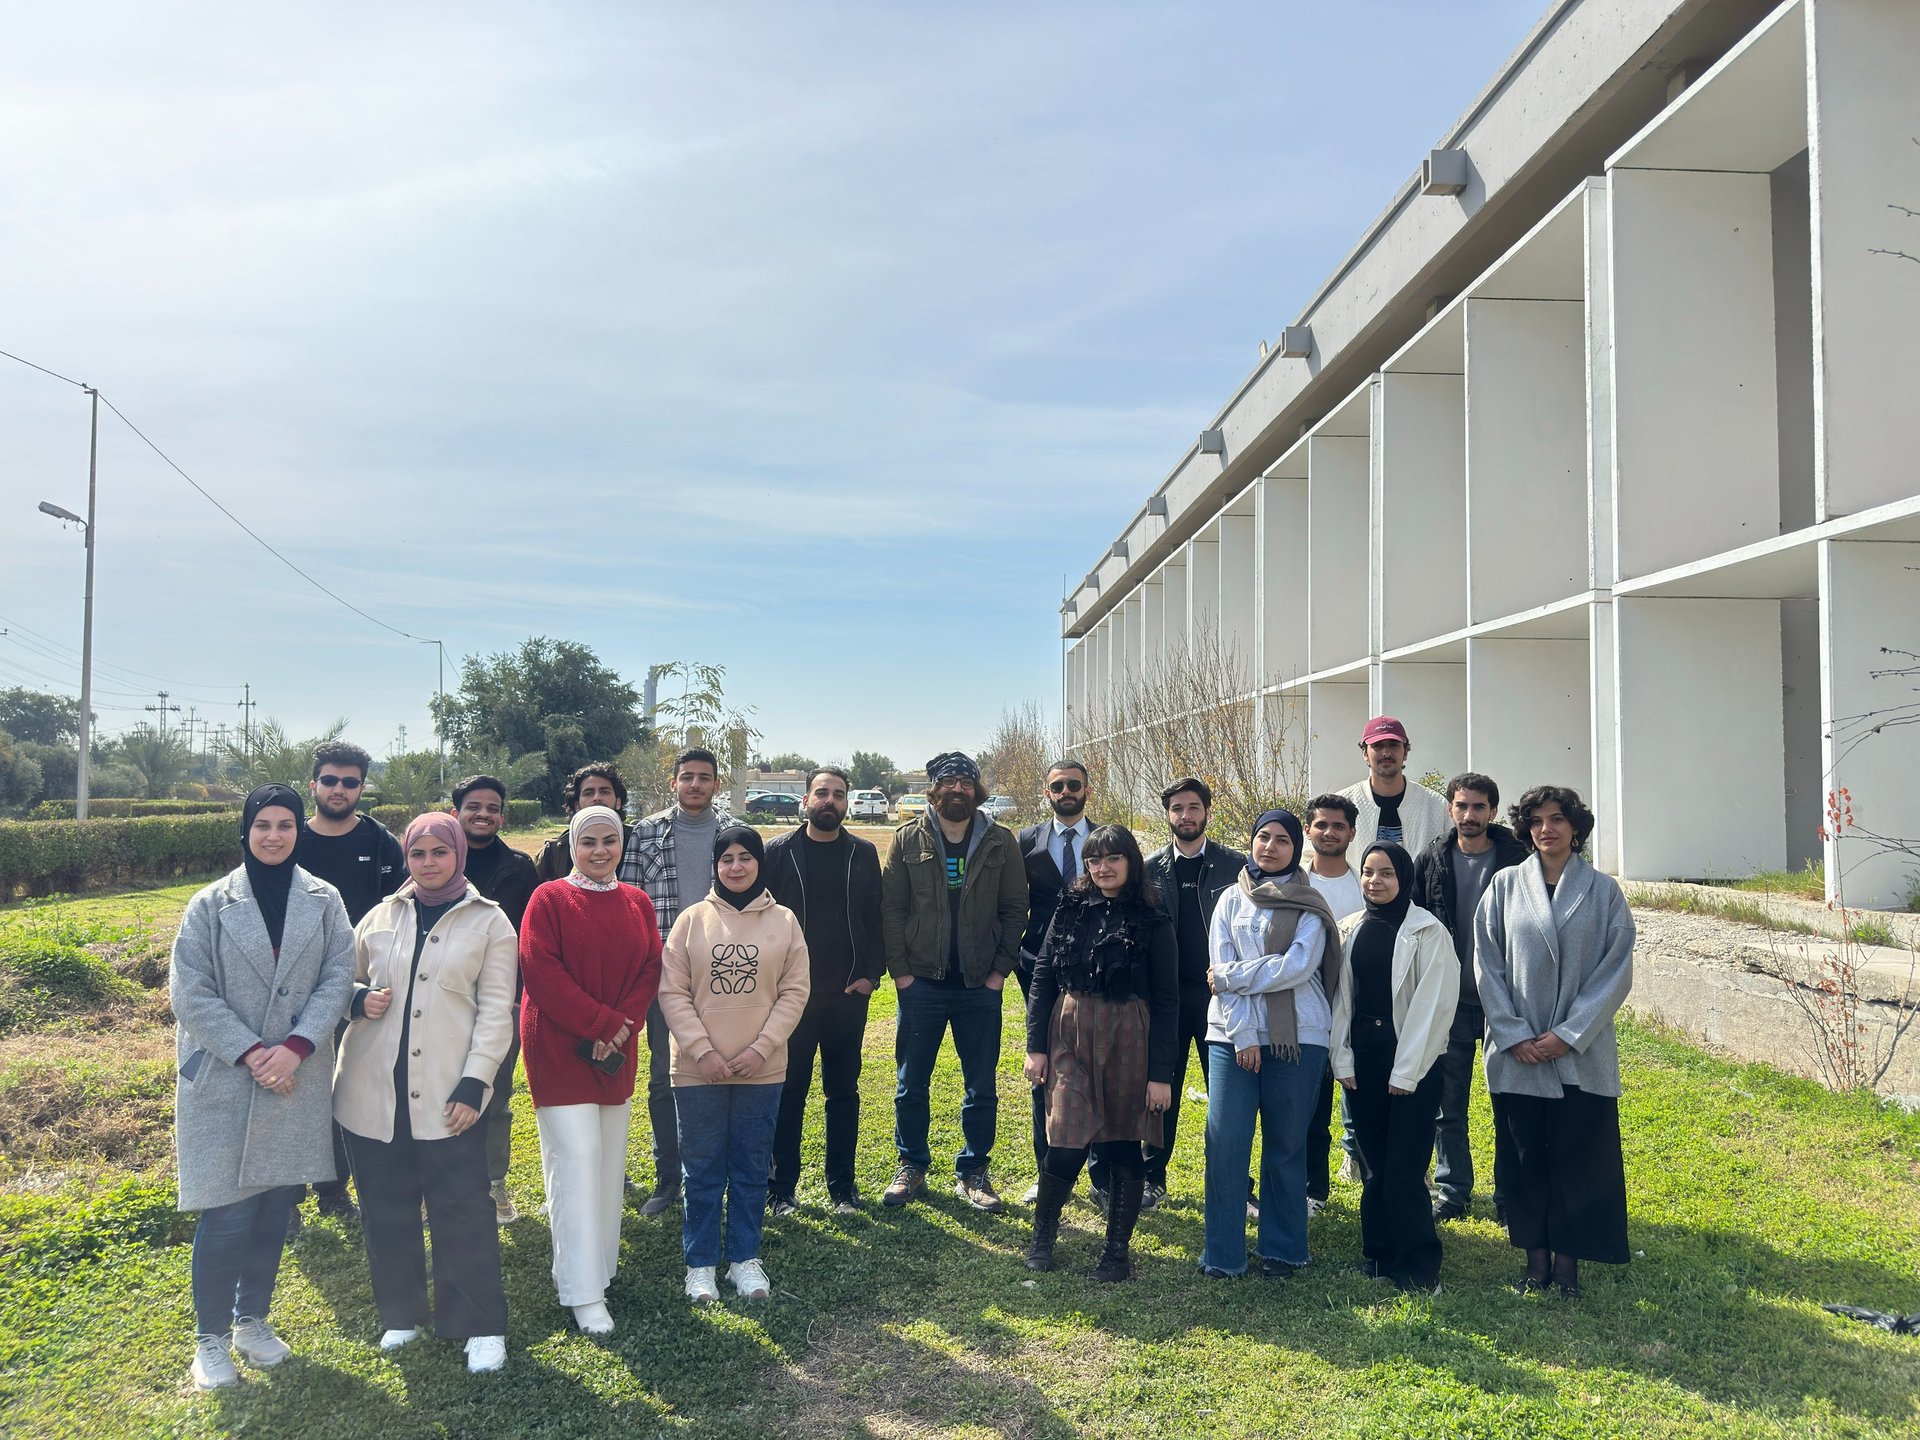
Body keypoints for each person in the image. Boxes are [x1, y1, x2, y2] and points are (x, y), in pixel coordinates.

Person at [169, 784, 355, 1391]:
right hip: (226, 1078)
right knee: (225, 1215)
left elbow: (337, 978)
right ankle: (210, 1339)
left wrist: (296, 1047)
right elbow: (189, 993)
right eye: (262, 825)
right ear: (245, 831)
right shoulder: (210, 904)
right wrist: (254, 1052)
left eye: (285, 824)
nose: (273, 835)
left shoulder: (323, 900)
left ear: (300, 830)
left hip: (294, 1079)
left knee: (276, 1209)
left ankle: (253, 1320)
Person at [333, 812, 517, 1373]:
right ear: (407, 858)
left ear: (459, 855)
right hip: (373, 1088)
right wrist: (357, 999)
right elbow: (337, 980)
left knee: (461, 1206)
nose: (429, 863)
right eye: (419, 854)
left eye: (440, 852)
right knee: (386, 1207)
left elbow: (496, 1011)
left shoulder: (490, 922)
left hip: (448, 1092)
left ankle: (478, 1323)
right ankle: (401, 1314)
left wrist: (475, 1080)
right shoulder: (381, 916)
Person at [1474, 785, 1635, 1299]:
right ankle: (1535, 1262)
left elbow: (1616, 970)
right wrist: (1514, 1033)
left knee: (1577, 1161)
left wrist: (1568, 1036)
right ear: (1525, 828)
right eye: (1538, 820)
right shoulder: (1503, 887)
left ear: (1576, 827)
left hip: (1578, 1055)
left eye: (1558, 819)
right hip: (1517, 1054)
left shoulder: (1604, 891)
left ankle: (1567, 1266)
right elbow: (1487, 965)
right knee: (1525, 1162)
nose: (1548, 829)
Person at [519, 806, 664, 1333]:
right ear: (572, 846)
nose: (600, 851)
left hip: (616, 1051)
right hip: (562, 1048)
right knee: (575, 1159)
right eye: (589, 842)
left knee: (606, 1160)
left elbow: (651, 965)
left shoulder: (636, 902)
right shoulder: (549, 898)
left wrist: (622, 1025)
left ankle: (600, 1268)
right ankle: (580, 1291)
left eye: (610, 841)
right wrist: (604, 1023)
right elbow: (540, 969)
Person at [659, 826, 811, 1302]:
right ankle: (700, 1264)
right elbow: (672, 992)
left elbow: (794, 991)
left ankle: (745, 1259)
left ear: (759, 863)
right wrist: (702, 1051)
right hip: (696, 1070)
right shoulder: (691, 921)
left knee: (749, 1167)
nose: (736, 866)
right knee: (701, 1169)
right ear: (716, 865)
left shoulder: (784, 921)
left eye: (746, 857)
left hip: (760, 1070)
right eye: (727, 858)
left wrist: (759, 1049)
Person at [1022, 825, 1177, 1281]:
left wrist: (1161, 1074)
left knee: (1122, 1145)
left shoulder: (1153, 918)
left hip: (1130, 1036)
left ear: (1131, 861)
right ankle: (1043, 1235)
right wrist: (1036, 1047)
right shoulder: (1069, 910)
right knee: (1066, 1143)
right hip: (1069, 1032)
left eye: (1112, 858)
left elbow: (1168, 1000)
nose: (1102, 868)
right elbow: (1044, 978)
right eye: (1094, 860)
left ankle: (1116, 1253)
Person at [880, 751, 1029, 1212]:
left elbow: (1014, 909)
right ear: (934, 790)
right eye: (948, 782)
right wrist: (901, 972)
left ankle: (974, 1170)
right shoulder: (907, 839)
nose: (958, 789)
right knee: (911, 1082)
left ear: (977, 789)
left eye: (966, 781)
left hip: (977, 987)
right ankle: (911, 1165)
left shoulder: (1001, 842)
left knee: (980, 1084)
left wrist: (999, 971)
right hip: (921, 983)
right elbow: (891, 908)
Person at [1199, 808, 1343, 1280]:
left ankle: (1283, 1249)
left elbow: (1297, 967)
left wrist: (1233, 977)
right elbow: (1220, 973)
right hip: (1230, 1036)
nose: (1271, 846)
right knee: (1226, 1144)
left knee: (1286, 1144)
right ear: (1252, 841)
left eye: (1282, 839)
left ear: (1295, 848)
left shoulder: (1310, 903)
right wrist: (1243, 1035)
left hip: (1299, 1035)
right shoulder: (1228, 900)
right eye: (1263, 837)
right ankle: (1223, 1254)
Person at [1330, 842, 1457, 1294]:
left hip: (1412, 1067)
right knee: (1376, 1166)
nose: (1375, 881)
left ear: (1403, 878)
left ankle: (1420, 1268)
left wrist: (1405, 1074)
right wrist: (1342, 1058)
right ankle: (1380, 1256)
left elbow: (1432, 1009)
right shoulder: (1351, 929)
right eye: (1367, 872)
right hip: (1364, 1062)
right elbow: (1342, 1002)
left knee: (1405, 1169)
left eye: (1386, 873)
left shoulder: (1428, 932)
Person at [619, 748, 737, 1217]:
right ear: (673, 783)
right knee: (666, 1078)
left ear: (716, 784)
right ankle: (669, 1179)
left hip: (725, 976)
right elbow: (629, 903)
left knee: (722, 1073)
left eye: (704, 778)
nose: (695, 785)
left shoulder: (732, 833)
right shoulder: (645, 833)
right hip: (665, 975)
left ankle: (716, 1175)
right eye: (686, 777)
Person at [293, 739, 404, 1223]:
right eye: (330, 780)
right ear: (313, 784)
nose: (339, 790)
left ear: (362, 787)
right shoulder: (289, 839)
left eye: (350, 782)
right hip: (291, 988)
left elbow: (398, 912)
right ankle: (285, 1198)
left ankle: (334, 1191)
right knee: (291, 1089)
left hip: (356, 988)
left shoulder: (380, 843)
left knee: (345, 1086)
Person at [764, 766, 884, 1215]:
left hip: (847, 996)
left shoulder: (863, 853)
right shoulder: (777, 852)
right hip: (791, 998)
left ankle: (842, 1187)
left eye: (837, 794)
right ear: (805, 800)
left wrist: (872, 974)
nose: (829, 801)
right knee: (789, 1091)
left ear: (846, 803)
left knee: (843, 1092)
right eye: (821, 793)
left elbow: (876, 917)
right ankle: (781, 1189)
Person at [1412, 773, 1527, 1222]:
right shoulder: (1432, 860)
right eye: (1461, 806)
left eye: (1479, 807)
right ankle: (1453, 1192)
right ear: (1449, 809)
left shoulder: (1520, 861)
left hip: (1506, 1003)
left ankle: (1510, 1197)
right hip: (1451, 1002)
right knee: (1447, 1104)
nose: (1469, 815)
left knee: (1509, 1104)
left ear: (1493, 811)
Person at [1141, 777, 1246, 1210]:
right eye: (1178, 808)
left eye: (1194, 807)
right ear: (1168, 815)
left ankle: (1236, 1182)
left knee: (1228, 1095)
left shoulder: (1234, 866)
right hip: (1165, 999)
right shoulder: (1149, 869)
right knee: (1160, 1090)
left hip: (1217, 997)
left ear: (1207, 811)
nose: (1186, 815)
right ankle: (1152, 1177)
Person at [454, 773, 542, 1225]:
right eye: (474, 806)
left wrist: (520, 995)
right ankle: (443, 1186)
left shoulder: (521, 867)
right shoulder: (439, 859)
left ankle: (492, 1183)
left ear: (501, 816)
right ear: (457, 813)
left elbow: (532, 938)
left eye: (491, 807)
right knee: (437, 1090)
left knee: (494, 1093)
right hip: (444, 1000)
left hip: (501, 1002)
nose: (483, 814)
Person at [1015, 759, 1093, 1205]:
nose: (1066, 791)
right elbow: (1014, 902)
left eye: (1073, 785)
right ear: (1047, 793)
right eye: (1058, 786)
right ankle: (1048, 1174)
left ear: (1087, 790)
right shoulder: (1027, 840)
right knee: (1042, 1067)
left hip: (1098, 971)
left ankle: (1100, 1175)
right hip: (1039, 971)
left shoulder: (1106, 839)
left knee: (1098, 1065)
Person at [1302, 792, 1363, 1205]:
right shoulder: (1294, 884)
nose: (1329, 832)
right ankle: (1313, 1190)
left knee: (1364, 1100)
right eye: (1321, 824)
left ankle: (1370, 1175)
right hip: (1308, 1008)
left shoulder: (1368, 884)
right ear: (1308, 831)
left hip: (1360, 1009)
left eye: (1338, 825)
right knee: (1311, 1106)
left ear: (1352, 833)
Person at [1337, 716, 1450, 859]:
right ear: (1365, 753)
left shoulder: (1436, 806)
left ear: (1406, 752)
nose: (1386, 753)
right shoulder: (1342, 805)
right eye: (1377, 745)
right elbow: (1309, 857)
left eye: (1394, 744)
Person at [536, 763, 629, 883]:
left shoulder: (637, 842)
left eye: (604, 792)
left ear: (618, 802)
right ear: (576, 805)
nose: (597, 798)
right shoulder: (555, 851)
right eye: (588, 793)